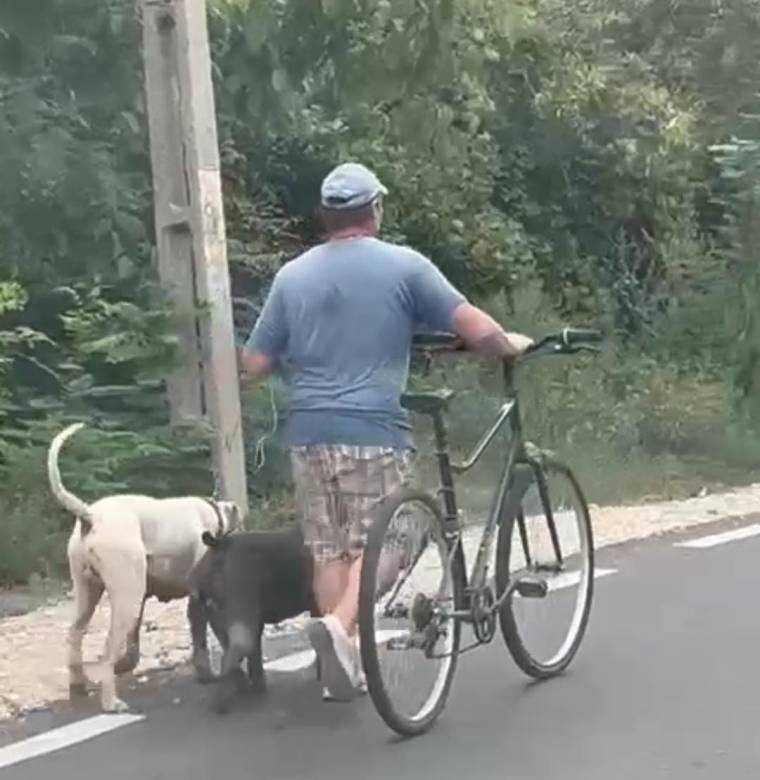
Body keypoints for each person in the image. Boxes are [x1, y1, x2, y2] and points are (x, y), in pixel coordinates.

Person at [240, 162, 533, 701]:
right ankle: (338, 628)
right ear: (375, 210)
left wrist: (303, 358)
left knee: (330, 550)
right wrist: (508, 345)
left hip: (307, 433)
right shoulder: (404, 266)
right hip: (371, 431)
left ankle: (340, 666)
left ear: (325, 216)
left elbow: (254, 362)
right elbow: (476, 327)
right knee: (394, 540)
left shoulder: (292, 275)